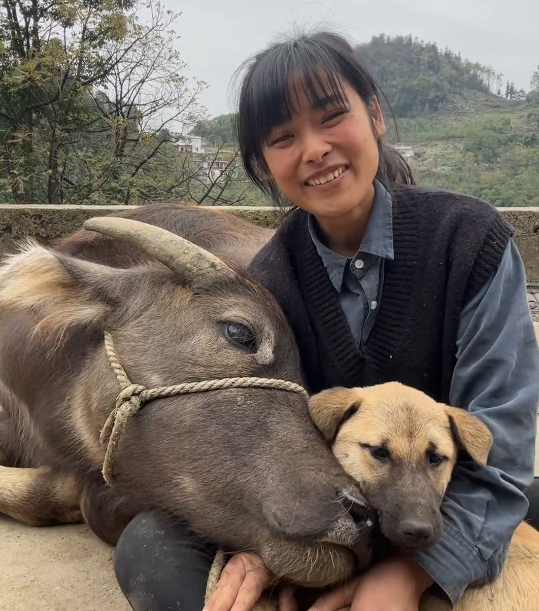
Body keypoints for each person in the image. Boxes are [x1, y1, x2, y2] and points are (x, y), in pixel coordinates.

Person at [113, 30, 539, 611]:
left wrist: (414, 575)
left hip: (444, 504)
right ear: (263, 163)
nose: (314, 149)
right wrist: (266, 542)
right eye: (284, 137)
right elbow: (261, 436)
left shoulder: (469, 240)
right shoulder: (268, 288)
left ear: (375, 117)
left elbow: (502, 434)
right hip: (332, 508)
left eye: (332, 116)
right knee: (150, 548)